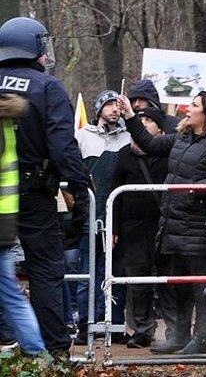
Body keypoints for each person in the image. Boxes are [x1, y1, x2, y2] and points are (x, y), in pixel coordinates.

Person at [116, 91, 206, 354]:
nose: (186, 109)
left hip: (201, 227)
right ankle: (179, 335)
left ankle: (202, 339)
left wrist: (194, 188)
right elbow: (149, 144)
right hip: (173, 224)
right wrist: (129, 115)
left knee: (201, 287)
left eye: (193, 105)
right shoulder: (181, 137)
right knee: (178, 286)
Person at [0, 16, 90, 355]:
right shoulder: (46, 86)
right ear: (35, 46)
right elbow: (62, 146)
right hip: (34, 195)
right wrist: (79, 188)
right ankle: (53, 351)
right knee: (46, 272)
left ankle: (7, 341)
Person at [74, 90, 132, 344]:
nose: (114, 109)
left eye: (117, 104)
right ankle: (85, 325)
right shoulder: (82, 137)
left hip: (118, 216)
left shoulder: (127, 137)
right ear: (99, 109)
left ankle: (116, 325)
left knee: (116, 273)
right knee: (89, 273)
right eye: (108, 104)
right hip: (90, 215)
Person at [111, 108, 168, 349]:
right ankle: (142, 329)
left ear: (161, 130)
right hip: (132, 229)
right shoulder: (125, 156)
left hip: (166, 227)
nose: (143, 124)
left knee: (168, 280)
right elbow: (115, 196)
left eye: (149, 120)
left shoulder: (169, 154)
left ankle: (177, 331)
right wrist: (114, 228)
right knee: (137, 282)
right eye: (140, 119)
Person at [0, 92, 46, 357]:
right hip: (5, 222)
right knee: (11, 293)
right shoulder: (6, 117)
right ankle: (37, 353)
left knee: (10, 294)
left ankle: (36, 352)